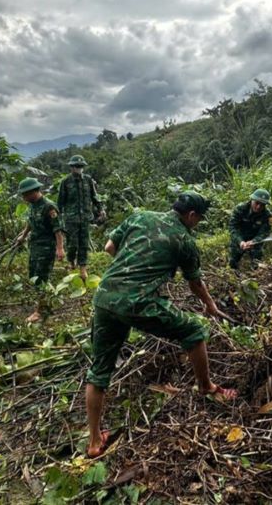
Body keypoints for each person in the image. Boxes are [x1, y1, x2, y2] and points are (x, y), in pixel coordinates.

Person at [84, 190, 236, 458]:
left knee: (99, 372)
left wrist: (130, 269)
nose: (197, 224)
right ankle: (207, 388)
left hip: (105, 298)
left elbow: (109, 248)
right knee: (195, 330)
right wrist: (210, 306)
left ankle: (95, 442)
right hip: (137, 303)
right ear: (191, 215)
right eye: (198, 219)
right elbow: (195, 282)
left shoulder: (140, 217)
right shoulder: (184, 240)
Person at [14, 177, 65, 322]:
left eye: (25, 194)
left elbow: (58, 229)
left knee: (41, 278)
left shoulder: (49, 206)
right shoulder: (33, 205)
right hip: (34, 246)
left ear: (33, 192)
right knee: (33, 277)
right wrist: (23, 236)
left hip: (46, 248)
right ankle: (45, 305)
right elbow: (30, 222)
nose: (24, 198)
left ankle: (40, 312)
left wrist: (60, 249)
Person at [57, 155, 105, 282]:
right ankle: (72, 261)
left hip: (85, 218)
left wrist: (101, 209)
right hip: (71, 219)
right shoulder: (65, 182)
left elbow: (95, 197)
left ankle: (83, 268)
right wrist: (60, 221)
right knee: (72, 244)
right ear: (71, 167)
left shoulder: (88, 180)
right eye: (76, 166)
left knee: (83, 244)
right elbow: (60, 203)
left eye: (80, 166)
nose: (78, 169)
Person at [228, 188, 272, 270]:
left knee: (257, 262)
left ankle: (255, 275)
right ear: (251, 200)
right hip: (240, 237)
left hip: (255, 240)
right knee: (232, 262)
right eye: (257, 203)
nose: (259, 207)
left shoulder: (268, 215)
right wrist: (240, 241)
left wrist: (254, 242)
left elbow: (265, 232)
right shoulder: (240, 209)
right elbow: (233, 227)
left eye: (262, 205)